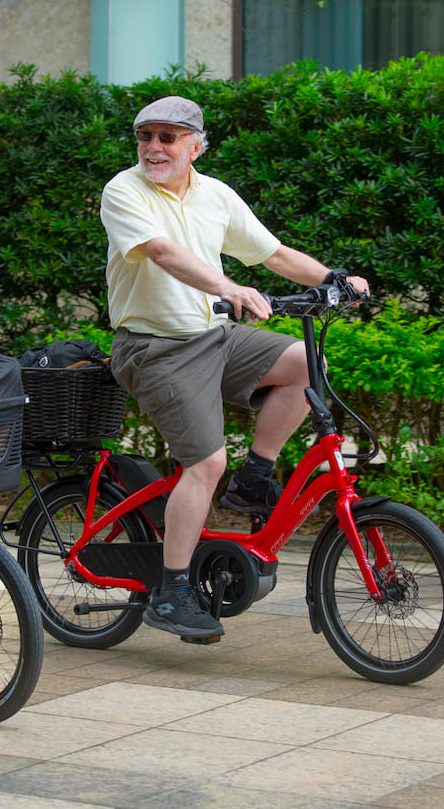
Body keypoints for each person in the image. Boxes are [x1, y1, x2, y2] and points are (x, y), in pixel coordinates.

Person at [100, 96, 370, 640]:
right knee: (205, 462)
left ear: (195, 146)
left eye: (168, 137)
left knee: (304, 361)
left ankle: (255, 478)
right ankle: (173, 592)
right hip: (155, 347)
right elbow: (161, 252)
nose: (154, 147)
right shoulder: (123, 190)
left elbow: (272, 255)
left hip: (215, 336)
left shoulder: (215, 194)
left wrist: (335, 281)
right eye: (146, 136)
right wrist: (227, 286)